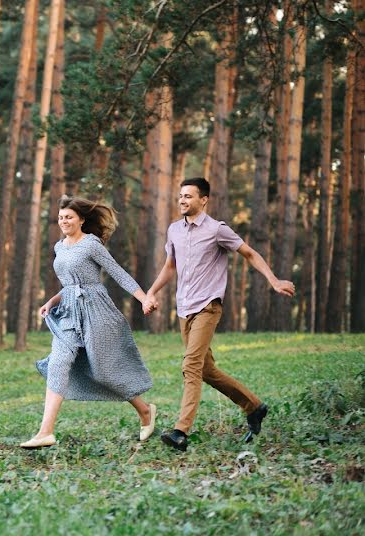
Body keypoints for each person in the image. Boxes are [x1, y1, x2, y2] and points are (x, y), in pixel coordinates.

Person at [144, 177, 295, 452]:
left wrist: (273, 280)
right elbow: (170, 266)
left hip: (208, 306)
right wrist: (150, 293)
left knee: (190, 366)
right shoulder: (174, 230)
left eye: (188, 196)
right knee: (206, 370)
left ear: (204, 200)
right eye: (180, 195)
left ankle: (181, 431)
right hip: (185, 308)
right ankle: (254, 406)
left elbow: (249, 253)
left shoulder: (217, 230)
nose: (182, 200)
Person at [20, 196, 157, 449]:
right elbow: (69, 285)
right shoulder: (59, 247)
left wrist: (143, 298)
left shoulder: (91, 244)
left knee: (104, 371)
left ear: (81, 220)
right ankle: (45, 432)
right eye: (61, 217)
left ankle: (145, 411)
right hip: (70, 314)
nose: (64, 221)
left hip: (96, 311)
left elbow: (118, 273)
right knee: (59, 363)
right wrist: (52, 301)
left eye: (69, 217)